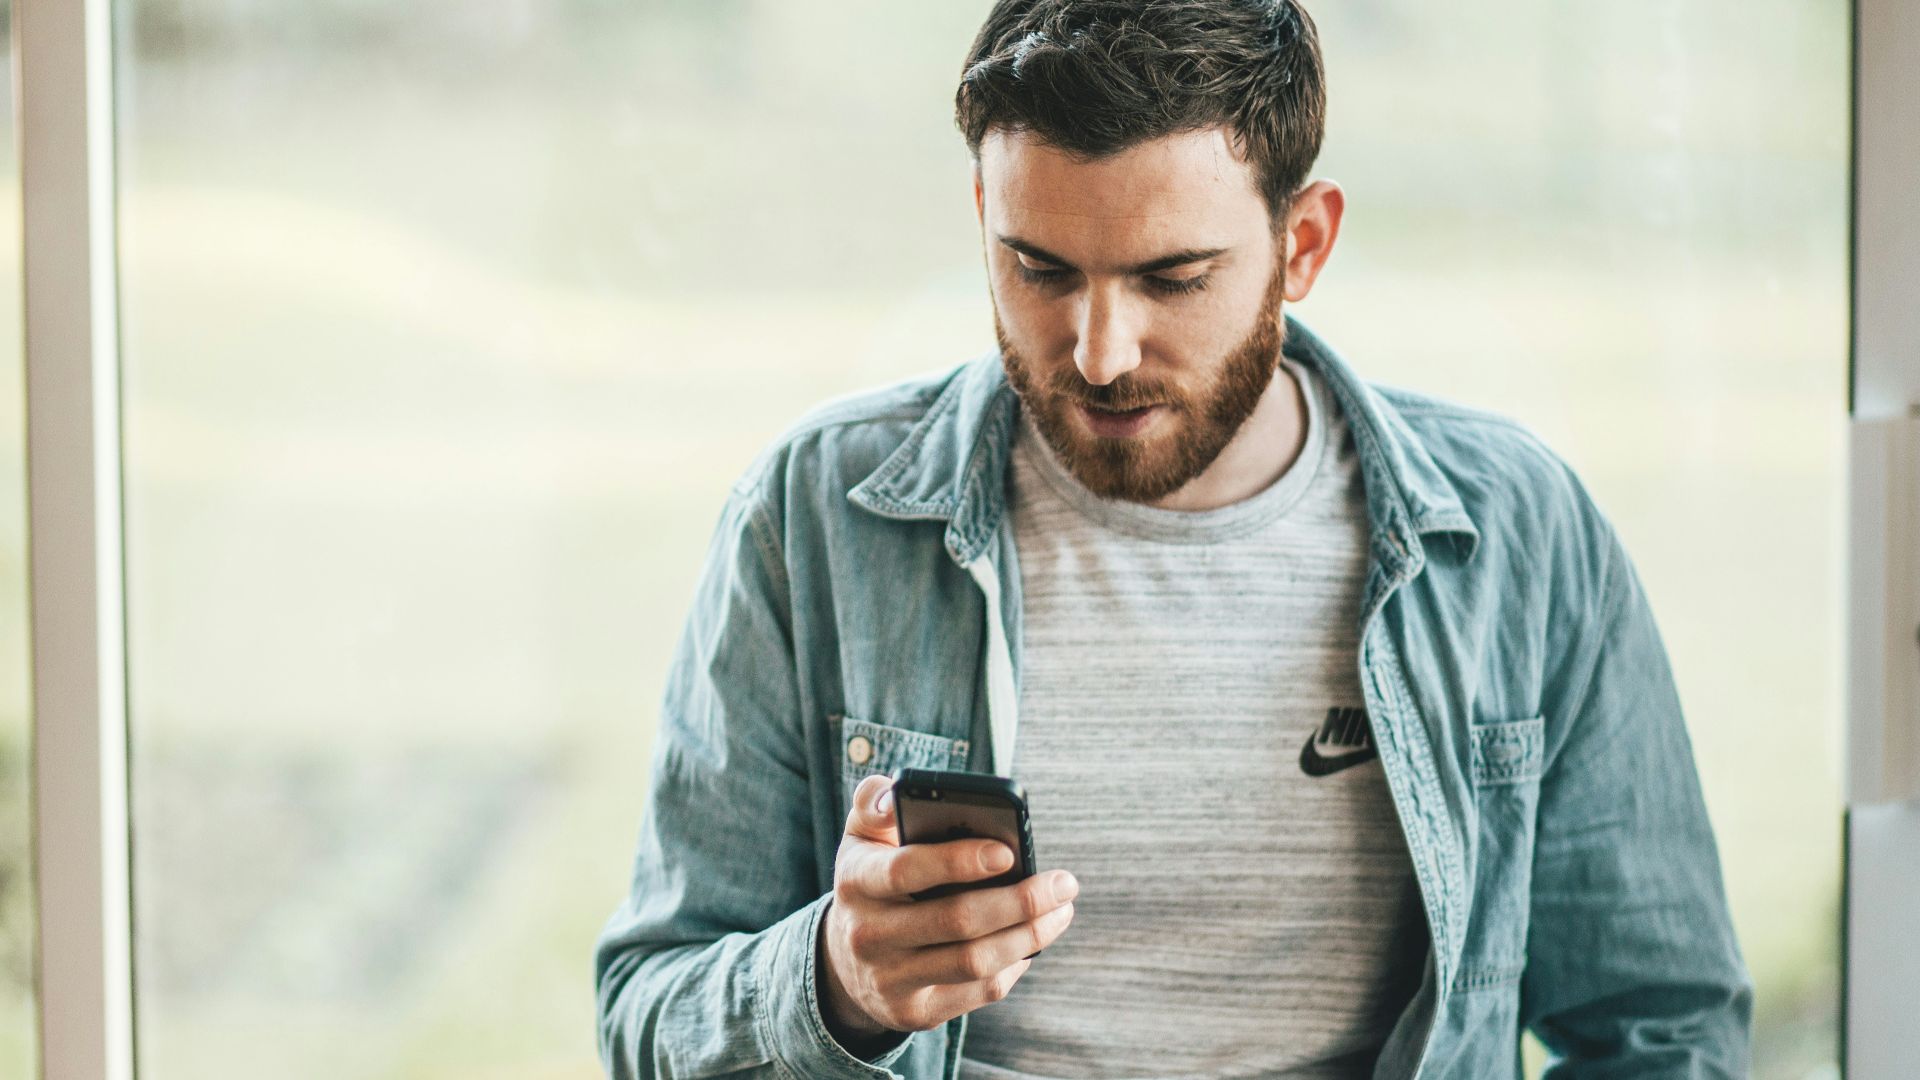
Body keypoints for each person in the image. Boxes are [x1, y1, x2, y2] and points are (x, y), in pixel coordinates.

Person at [593, 1, 1754, 1077]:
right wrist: (835, 983)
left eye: (1174, 278)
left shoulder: (1519, 535)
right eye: (1038, 268)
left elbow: (1662, 1027)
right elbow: (648, 1012)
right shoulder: (814, 517)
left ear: (1303, 243)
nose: (1098, 351)